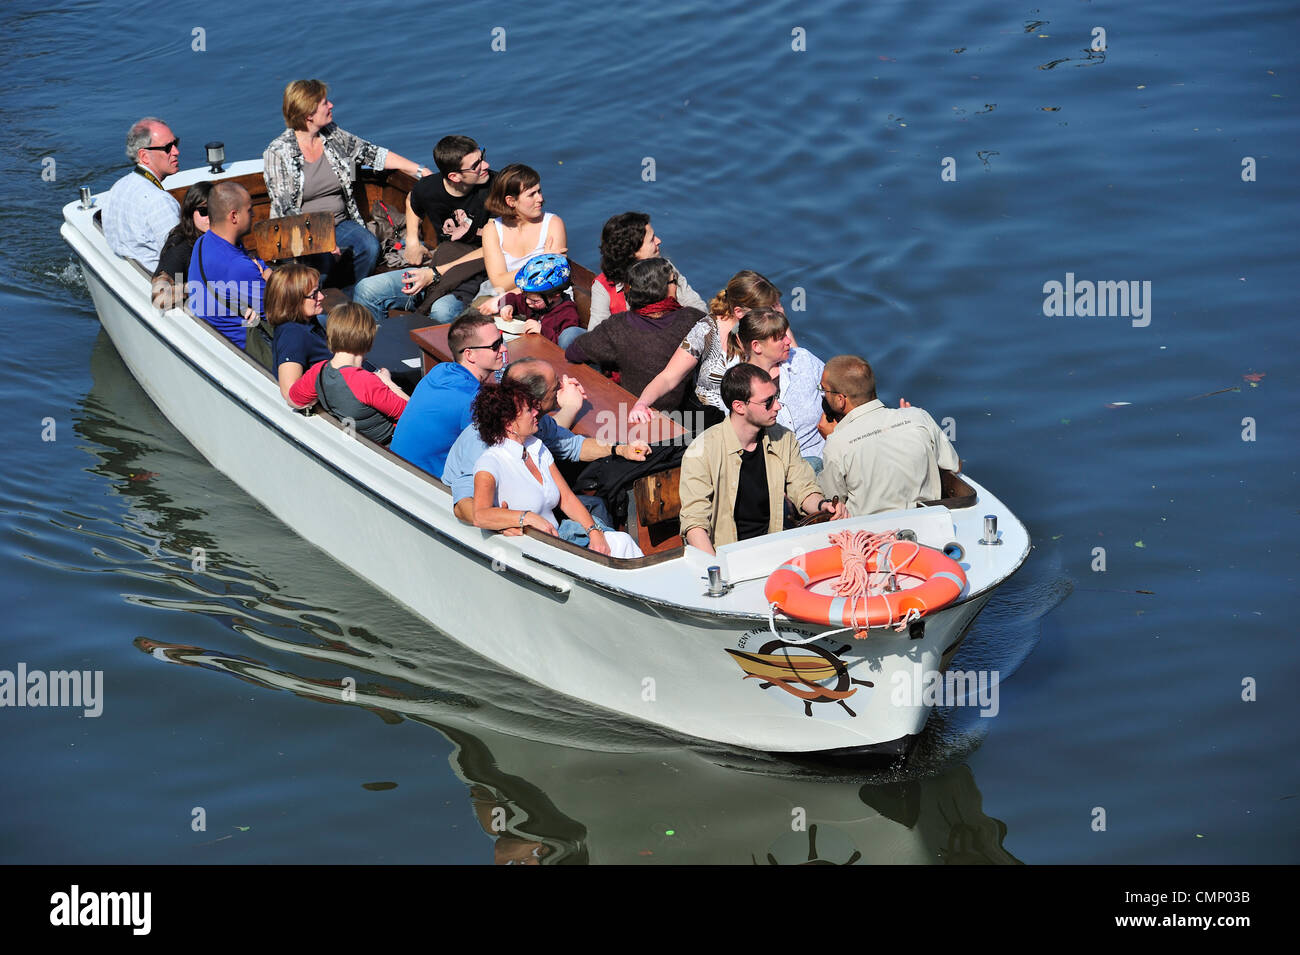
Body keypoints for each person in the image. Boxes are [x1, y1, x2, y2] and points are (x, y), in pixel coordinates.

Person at [263, 79, 430, 289]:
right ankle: (312, 304)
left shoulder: (332, 135)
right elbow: (286, 208)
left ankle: (350, 298)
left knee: (369, 247)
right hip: (298, 233)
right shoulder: (278, 153)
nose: (331, 105)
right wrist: (321, 239)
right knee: (320, 262)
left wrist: (419, 170)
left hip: (340, 223)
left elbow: (372, 152)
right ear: (308, 114)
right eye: (324, 103)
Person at [443, 356, 650, 526]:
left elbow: (574, 446)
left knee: (595, 505)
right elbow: (463, 505)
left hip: (532, 507)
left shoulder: (535, 422)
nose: (561, 387)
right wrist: (508, 523)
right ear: (536, 402)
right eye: (555, 387)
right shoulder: (482, 442)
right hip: (493, 524)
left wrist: (621, 449)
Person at [679, 364, 845, 556]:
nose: (777, 406)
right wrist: (716, 569)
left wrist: (822, 505)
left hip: (775, 548)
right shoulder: (702, 451)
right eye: (767, 402)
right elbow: (694, 523)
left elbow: (803, 488)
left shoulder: (783, 438)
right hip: (727, 555)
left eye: (776, 397)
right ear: (739, 406)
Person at [471, 381, 643, 559]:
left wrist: (594, 532)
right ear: (509, 424)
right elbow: (480, 515)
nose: (537, 412)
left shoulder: (536, 447)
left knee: (621, 542)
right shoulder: (490, 463)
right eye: (529, 410)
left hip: (559, 541)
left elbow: (566, 498)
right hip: (529, 553)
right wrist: (526, 517)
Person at [353, 135, 495, 324]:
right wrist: (412, 242)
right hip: (442, 261)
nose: (485, 165)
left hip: (478, 272)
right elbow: (413, 200)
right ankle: (378, 349)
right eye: (476, 165)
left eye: (482, 157)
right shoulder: (430, 188)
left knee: (442, 310)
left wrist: (434, 274)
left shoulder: (498, 188)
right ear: (454, 176)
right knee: (366, 289)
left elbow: (498, 247)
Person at [628, 269, 787, 429]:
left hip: (760, 421)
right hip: (707, 423)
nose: (775, 315)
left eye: (776, 307)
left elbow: (796, 370)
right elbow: (669, 377)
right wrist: (642, 403)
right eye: (768, 310)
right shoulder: (707, 331)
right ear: (739, 312)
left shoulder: (775, 331)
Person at [817, 356, 960, 516]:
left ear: (840, 399)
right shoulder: (918, 417)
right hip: (926, 520)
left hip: (868, 536)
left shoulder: (837, 444)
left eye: (823, 390)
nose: (823, 395)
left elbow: (833, 503)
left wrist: (834, 438)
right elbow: (955, 466)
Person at [562, 258, 704, 410]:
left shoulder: (618, 326)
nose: (677, 286)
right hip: (684, 412)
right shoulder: (692, 318)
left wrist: (619, 356)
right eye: (674, 282)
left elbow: (574, 352)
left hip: (633, 409)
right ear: (663, 289)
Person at [390, 311, 505, 476]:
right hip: (425, 485)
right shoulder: (473, 400)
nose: (502, 349)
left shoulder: (440, 370)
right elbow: (491, 456)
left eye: (501, 341)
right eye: (495, 346)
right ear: (469, 354)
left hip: (396, 466)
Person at [288, 304, 409, 444]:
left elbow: (293, 401)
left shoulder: (318, 371)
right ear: (368, 339)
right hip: (389, 446)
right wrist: (387, 382)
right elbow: (413, 414)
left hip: (356, 443)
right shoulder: (365, 382)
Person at [733, 307, 826, 470]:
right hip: (779, 473)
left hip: (825, 457)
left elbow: (836, 394)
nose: (788, 341)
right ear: (757, 346)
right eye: (780, 338)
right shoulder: (737, 385)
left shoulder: (803, 360)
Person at [589, 212, 705, 329]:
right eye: (651, 239)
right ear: (632, 252)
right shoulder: (602, 287)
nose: (659, 240)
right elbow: (595, 335)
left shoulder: (666, 269)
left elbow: (697, 307)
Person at [187, 181, 268, 348]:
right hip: (253, 347)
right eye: (249, 210)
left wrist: (264, 274)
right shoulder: (237, 265)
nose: (253, 215)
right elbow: (282, 312)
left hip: (218, 335)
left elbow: (261, 268)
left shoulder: (203, 242)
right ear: (234, 216)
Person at [102, 117, 181, 270]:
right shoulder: (159, 202)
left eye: (175, 143)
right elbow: (178, 260)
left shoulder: (118, 187)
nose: (176, 151)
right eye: (167, 148)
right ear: (144, 156)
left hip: (130, 272)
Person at [480, 164, 567, 294]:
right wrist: (540, 262)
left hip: (546, 298)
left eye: (539, 191)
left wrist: (507, 294)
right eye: (531, 194)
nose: (540, 199)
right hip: (507, 297)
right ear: (511, 201)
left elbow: (550, 279)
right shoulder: (492, 230)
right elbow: (499, 283)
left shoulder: (553, 223)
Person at [478, 254, 584, 350]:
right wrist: (507, 306)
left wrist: (542, 331)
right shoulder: (532, 303)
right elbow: (511, 298)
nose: (528, 302)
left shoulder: (567, 314)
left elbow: (566, 344)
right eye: (525, 296)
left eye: (535, 300)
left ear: (556, 295)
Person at [264, 264, 331, 402]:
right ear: (293, 300)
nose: (322, 296)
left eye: (319, 290)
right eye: (314, 294)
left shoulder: (306, 321)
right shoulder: (292, 336)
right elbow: (290, 393)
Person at [151, 181, 212, 308]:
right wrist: (195, 286)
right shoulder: (180, 247)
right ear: (190, 212)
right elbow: (159, 297)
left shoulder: (224, 236)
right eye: (204, 211)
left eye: (216, 210)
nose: (211, 217)